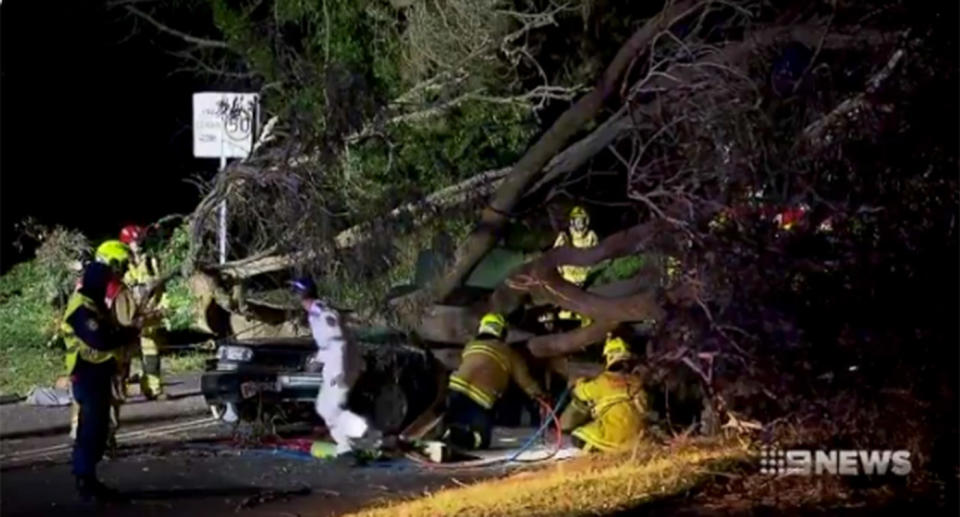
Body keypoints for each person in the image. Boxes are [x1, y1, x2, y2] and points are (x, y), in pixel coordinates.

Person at [62, 260, 139, 501]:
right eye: (105, 282)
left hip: (98, 373)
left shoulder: (94, 304)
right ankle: (85, 480)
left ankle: (90, 478)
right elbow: (99, 339)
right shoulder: (82, 307)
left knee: (98, 429)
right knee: (91, 429)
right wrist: (127, 333)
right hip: (87, 374)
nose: (107, 287)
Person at [291, 277, 375, 458]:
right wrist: (317, 360)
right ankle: (363, 436)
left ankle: (351, 445)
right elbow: (328, 345)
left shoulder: (323, 314)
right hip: (336, 365)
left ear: (300, 295)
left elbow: (339, 344)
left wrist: (339, 372)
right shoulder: (315, 314)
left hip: (342, 366)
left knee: (332, 408)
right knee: (323, 406)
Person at [443, 313, 548, 450]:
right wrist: (541, 395)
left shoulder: (470, 346)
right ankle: (456, 440)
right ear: (502, 332)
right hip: (479, 401)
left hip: (453, 392)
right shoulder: (509, 353)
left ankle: (443, 436)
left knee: (450, 420)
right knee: (481, 440)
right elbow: (525, 382)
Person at [560, 333, 647, 453]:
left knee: (578, 435)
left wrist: (579, 383)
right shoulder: (636, 381)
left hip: (613, 436)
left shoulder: (602, 382)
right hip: (637, 437)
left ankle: (600, 451)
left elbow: (580, 393)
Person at [119, 224, 166, 400]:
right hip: (128, 315)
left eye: (138, 240)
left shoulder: (151, 262)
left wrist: (162, 307)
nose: (137, 244)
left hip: (148, 314)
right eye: (133, 241)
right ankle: (120, 390)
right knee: (124, 356)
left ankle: (153, 389)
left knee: (151, 354)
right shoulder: (122, 265)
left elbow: (162, 287)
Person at [552, 205, 599, 326]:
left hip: (586, 280)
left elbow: (598, 258)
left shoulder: (591, 237)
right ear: (571, 222)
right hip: (567, 281)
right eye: (576, 221)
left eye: (581, 221)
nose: (579, 224)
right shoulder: (564, 238)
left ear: (586, 221)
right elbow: (555, 258)